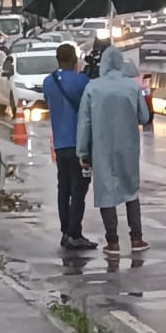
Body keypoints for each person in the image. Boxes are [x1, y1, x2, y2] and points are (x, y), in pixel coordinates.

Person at [77, 47, 151, 257]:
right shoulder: (132, 87)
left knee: (106, 192)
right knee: (131, 190)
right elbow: (144, 117)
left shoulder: (93, 88)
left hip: (101, 148)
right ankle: (136, 238)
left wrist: (83, 151)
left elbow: (85, 123)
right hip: (128, 146)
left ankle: (113, 241)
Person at [43, 43, 96, 251]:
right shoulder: (82, 81)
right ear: (75, 60)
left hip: (60, 144)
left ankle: (65, 231)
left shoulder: (49, 82)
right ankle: (76, 233)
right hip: (80, 145)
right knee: (79, 189)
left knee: (63, 189)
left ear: (57, 60)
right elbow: (90, 104)